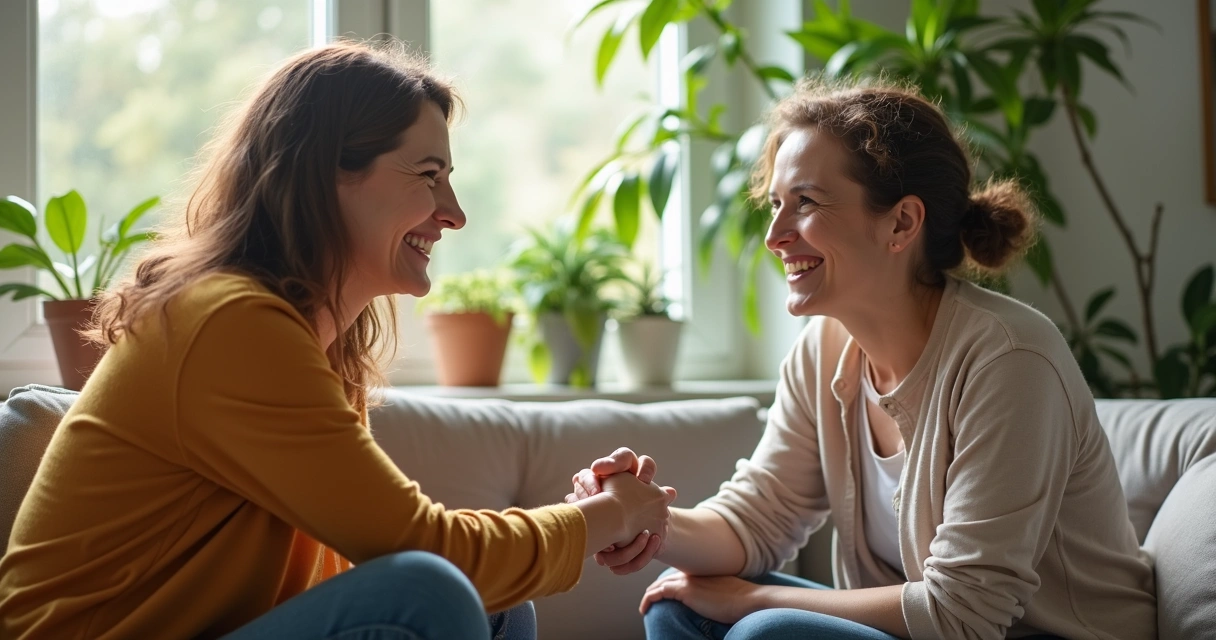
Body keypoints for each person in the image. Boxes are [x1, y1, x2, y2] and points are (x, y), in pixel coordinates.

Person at [0, 41, 676, 640]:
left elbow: (368, 559)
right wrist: (604, 517)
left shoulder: (306, 342)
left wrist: (587, 515)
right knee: (430, 589)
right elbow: (421, 552)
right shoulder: (229, 326)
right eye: (429, 175)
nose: (455, 213)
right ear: (329, 174)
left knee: (496, 604)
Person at [570, 80, 1157, 640]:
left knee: (768, 630)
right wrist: (640, 515)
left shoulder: (1010, 358)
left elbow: (965, 616)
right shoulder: (822, 353)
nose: (775, 234)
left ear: (901, 222)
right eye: (775, 203)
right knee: (678, 608)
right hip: (924, 629)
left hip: (1036, 635)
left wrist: (755, 600)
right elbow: (757, 520)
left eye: (806, 203)